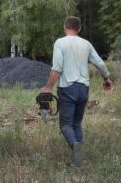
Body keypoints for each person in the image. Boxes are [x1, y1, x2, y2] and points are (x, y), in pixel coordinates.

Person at [42, 16, 112, 164]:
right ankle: (78, 160)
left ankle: (75, 147)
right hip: (84, 89)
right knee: (77, 123)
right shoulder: (86, 44)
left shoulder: (60, 43)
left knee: (66, 125)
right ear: (79, 28)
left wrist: (48, 87)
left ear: (64, 27)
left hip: (68, 89)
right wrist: (106, 78)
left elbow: (57, 68)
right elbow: (99, 63)